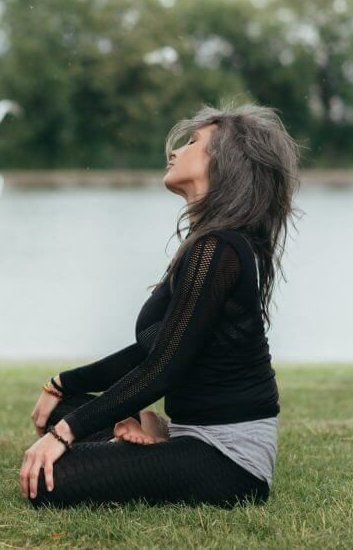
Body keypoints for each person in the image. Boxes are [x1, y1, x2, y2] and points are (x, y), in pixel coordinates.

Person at [19, 101, 303, 509]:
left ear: (225, 163)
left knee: (50, 481)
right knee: (59, 411)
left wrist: (65, 435)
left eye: (192, 142)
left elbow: (163, 368)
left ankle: (156, 438)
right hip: (193, 436)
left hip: (228, 459)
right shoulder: (207, 244)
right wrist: (63, 384)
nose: (174, 151)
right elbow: (152, 349)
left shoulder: (219, 249)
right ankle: (154, 435)